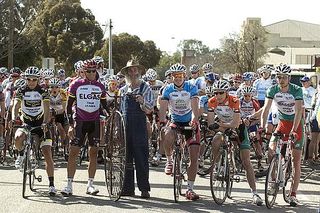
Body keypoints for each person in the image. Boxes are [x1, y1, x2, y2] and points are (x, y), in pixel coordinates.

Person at [207, 80, 263, 206]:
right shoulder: (212, 102)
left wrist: (220, 125)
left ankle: (254, 193)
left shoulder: (234, 100)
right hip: (222, 128)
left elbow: (236, 123)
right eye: (216, 93)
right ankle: (217, 166)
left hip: (239, 129)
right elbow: (211, 125)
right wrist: (221, 127)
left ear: (226, 92)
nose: (218, 95)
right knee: (216, 140)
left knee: (246, 161)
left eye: (221, 92)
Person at [61, 59, 109, 196]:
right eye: (89, 71)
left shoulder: (100, 86)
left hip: (94, 122)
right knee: (73, 152)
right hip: (79, 122)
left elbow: (104, 106)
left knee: (93, 153)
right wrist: (70, 125)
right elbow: (68, 107)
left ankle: (90, 185)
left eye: (94, 71)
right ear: (84, 71)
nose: (92, 73)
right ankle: (69, 185)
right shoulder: (75, 84)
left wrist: (110, 113)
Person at [261, 63, 304, 207]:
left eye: (284, 77)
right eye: (278, 77)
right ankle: (273, 182)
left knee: (295, 161)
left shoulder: (296, 90)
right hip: (282, 124)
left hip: (296, 125)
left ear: (289, 78)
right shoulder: (272, 89)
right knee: (271, 151)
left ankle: (293, 194)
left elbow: (298, 111)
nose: (281, 80)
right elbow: (265, 109)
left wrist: (294, 130)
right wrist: (262, 127)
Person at [159, 63, 201, 200]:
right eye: (175, 75)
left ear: (184, 76)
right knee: (167, 134)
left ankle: (190, 188)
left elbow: (195, 106)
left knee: (194, 156)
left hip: (189, 121)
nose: (178, 78)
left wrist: (194, 120)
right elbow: (163, 109)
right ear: (171, 76)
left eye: (180, 75)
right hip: (175, 121)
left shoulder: (191, 87)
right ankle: (170, 160)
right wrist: (162, 122)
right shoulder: (168, 89)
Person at [12, 66, 56, 196]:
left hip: (41, 124)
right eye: (29, 79)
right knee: (18, 137)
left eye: (34, 80)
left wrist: (45, 122)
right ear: (26, 79)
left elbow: (47, 107)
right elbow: (16, 105)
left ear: (38, 80)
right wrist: (14, 117)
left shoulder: (43, 91)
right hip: (26, 123)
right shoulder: (21, 90)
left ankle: (52, 184)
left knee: (47, 152)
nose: (31, 82)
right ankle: (21, 156)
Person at [118, 58, 154, 198]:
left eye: (135, 70)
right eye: (130, 70)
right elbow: (120, 111)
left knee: (141, 157)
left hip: (139, 126)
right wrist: (117, 128)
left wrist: (142, 101)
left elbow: (149, 109)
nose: (133, 72)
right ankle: (128, 188)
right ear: (127, 73)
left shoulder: (145, 88)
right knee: (126, 158)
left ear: (139, 71)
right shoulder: (123, 90)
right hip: (125, 126)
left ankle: (144, 189)